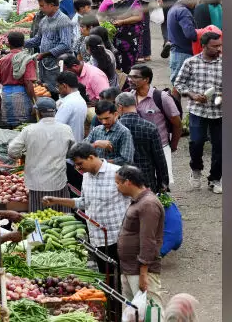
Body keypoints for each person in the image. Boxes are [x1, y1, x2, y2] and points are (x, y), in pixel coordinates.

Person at [42, 142, 130, 274]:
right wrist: (56, 201)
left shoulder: (117, 173)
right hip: (97, 238)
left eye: (80, 163)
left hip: (118, 238)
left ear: (90, 157)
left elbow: (137, 199)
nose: (77, 168)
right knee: (107, 278)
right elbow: (83, 202)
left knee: (124, 278)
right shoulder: (86, 177)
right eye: (76, 165)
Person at [174, 31, 223, 194]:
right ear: (204, 46)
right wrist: (193, 95)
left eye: (220, 45)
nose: (219, 49)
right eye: (214, 46)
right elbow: (179, 83)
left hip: (219, 112)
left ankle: (215, 179)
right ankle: (196, 170)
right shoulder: (191, 63)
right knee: (196, 142)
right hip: (198, 111)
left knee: (220, 146)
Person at [9, 97, 75, 212]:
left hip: (37, 183)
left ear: (38, 112)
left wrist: (23, 154)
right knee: (62, 219)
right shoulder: (66, 129)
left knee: (39, 216)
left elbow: (12, 151)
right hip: (58, 181)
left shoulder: (29, 130)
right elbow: (73, 152)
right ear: (54, 112)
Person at [114, 166, 165, 309]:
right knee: (134, 312)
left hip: (140, 270)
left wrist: (144, 273)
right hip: (129, 268)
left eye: (118, 183)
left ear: (128, 182)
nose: (117, 187)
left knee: (150, 311)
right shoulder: (138, 201)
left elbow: (149, 240)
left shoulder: (148, 204)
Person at [128, 63, 182, 187]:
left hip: (160, 147)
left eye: (135, 77)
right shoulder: (129, 97)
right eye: (129, 76)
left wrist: (172, 145)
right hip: (137, 150)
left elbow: (177, 124)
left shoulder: (161, 97)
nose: (130, 80)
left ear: (146, 79)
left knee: (163, 184)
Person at [115, 93, 169, 192]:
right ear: (135, 104)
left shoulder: (115, 129)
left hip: (121, 180)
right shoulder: (150, 127)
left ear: (119, 107)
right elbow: (159, 158)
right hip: (146, 179)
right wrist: (163, 181)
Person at [24, 0, 74, 93]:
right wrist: (21, 43)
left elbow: (65, 44)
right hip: (45, 65)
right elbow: (37, 39)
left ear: (52, 5)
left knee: (57, 91)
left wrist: (46, 54)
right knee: (46, 91)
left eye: (42, 6)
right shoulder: (44, 20)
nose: (40, 8)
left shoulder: (63, 21)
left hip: (57, 65)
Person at [99, 0, 143, 73]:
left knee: (129, 63)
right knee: (114, 63)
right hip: (112, 37)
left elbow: (138, 17)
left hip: (129, 38)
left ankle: (128, 84)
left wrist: (123, 21)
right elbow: (99, 16)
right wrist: (106, 25)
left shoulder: (133, 1)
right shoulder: (108, 0)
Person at [0, 31, 38, 128]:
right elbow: (28, 82)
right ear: (23, 43)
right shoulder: (26, 60)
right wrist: (35, 101)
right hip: (21, 98)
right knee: (23, 127)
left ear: (8, 44)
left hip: (6, 97)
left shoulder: (2, 60)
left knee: (9, 129)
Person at [85, 100, 134, 165]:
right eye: (100, 119)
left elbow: (127, 160)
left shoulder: (124, 132)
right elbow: (82, 149)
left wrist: (100, 163)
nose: (104, 122)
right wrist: (95, 144)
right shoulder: (96, 130)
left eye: (107, 118)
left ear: (116, 114)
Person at [166, 0, 200, 81]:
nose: (197, 4)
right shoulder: (183, 11)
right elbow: (190, 34)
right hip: (183, 53)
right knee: (179, 83)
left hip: (176, 50)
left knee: (177, 82)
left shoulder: (175, 7)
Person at [54, 70, 89, 143]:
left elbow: (56, 127)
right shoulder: (80, 99)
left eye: (58, 86)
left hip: (66, 144)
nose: (57, 90)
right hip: (76, 141)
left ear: (64, 86)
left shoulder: (68, 103)